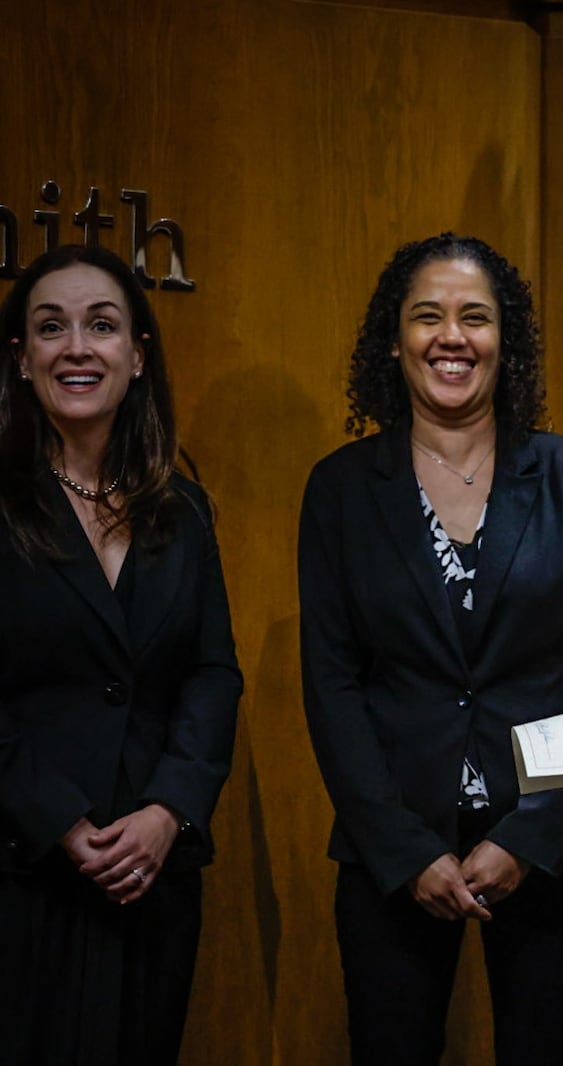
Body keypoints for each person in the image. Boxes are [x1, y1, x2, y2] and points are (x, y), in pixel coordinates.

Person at [298, 234, 563, 1065]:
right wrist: (404, 851)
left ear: (504, 341)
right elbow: (332, 683)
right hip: (393, 851)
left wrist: (530, 836)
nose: (452, 337)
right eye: (427, 316)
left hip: (548, 844)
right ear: (392, 338)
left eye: (476, 317)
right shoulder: (339, 488)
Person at [0, 244, 242, 1064]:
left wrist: (168, 810)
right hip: (23, 870)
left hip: (153, 874)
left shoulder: (185, 507)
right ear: (21, 357)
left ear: (137, 356)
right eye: (50, 328)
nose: (77, 347)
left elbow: (213, 674)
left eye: (102, 326)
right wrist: (58, 819)